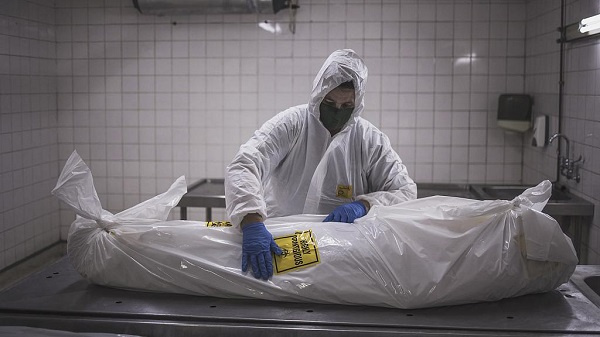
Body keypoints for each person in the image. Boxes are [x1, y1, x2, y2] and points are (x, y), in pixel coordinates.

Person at [225, 49, 417, 280]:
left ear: (357, 103)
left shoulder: (368, 139)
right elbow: (245, 164)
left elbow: (405, 191)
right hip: (278, 246)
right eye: (329, 102)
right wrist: (251, 222)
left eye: (346, 105)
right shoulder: (292, 124)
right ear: (318, 94)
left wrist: (365, 205)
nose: (337, 112)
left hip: (342, 256)